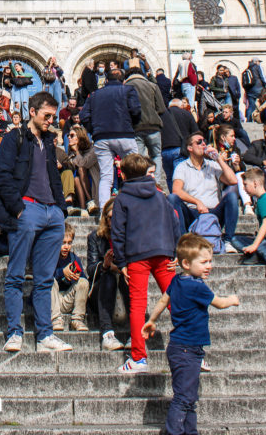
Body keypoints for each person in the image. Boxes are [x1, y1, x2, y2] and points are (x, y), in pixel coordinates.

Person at [0, 91, 70, 353]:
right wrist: (18, 209)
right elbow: (1, 175)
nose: (51, 121)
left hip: (52, 213)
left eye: (54, 117)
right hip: (28, 210)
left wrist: (61, 210)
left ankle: (45, 334)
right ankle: (14, 331)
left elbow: (54, 178)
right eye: (47, 115)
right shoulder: (14, 138)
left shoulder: (49, 142)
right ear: (32, 112)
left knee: (45, 278)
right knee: (16, 275)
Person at [142, 234, 240, 435]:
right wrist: (233, 299)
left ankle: (189, 431)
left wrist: (152, 320)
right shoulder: (196, 286)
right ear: (185, 263)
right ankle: (174, 432)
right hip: (187, 349)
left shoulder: (178, 281)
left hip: (182, 347)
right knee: (184, 398)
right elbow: (220, 303)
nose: (209, 266)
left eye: (210, 261)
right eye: (204, 262)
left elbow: (163, 301)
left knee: (189, 397)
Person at [111, 153, 180, 372]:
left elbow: (118, 232)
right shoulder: (159, 194)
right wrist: (176, 249)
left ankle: (139, 357)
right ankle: (193, 351)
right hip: (162, 252)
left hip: (136, 255)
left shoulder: (122, 198)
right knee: (174, 300)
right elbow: (174, 220)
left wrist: (121, 261)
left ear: (123, 174)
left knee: (138, 305)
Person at [79, 67, 141, 211]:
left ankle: (104, 213)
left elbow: (83, 116)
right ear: (123, 80)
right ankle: (136, 207)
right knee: (134, 171)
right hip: (125, 135)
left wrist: (94, 130)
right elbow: (136, 110)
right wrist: (131, 125)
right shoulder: (128, 90)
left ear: (106, 80)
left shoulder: (94, 95)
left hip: (102, 137)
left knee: (106, 177)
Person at [167, 132, 239, 240]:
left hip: (213, 212)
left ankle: (228, 240)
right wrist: (197, 202)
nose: (203, 144)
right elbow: (176, 191)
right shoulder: (182, 167)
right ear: (190, 148)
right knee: (172, 198)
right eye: (199, 142)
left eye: (204, 141)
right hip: (192, 212)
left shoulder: (212, 165)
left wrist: (218, 158)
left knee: (232, 197)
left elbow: (233, 180)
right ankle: (181, 241)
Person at [86, 198, 127, 351]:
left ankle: (134, 333)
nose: (113, 221)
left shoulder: (129, 237)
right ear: (105, 218)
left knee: (127, 278)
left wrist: (122, 268)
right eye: (110, 217)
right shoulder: (95, 237)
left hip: (123, 284)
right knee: (108, 277)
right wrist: (105, 265)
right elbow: (90, 269)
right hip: (102, 288)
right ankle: (107, 334)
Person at [128, 65, 166, 185]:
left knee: (139, 158)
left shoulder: (126, 87)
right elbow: (161, 108)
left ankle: (142, 182)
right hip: (153, 126)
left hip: (136, 127)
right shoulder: (153, 86)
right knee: (156, 156)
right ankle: (157, 182)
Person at [51, 223, 89, 333]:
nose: (66, 246)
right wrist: (62, 272)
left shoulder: (74, 258)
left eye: (69, 243)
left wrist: (76, 276)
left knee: (83, 282)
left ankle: (77, 319)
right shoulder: (51, 256)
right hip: (53, 299)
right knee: (50, 280)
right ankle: (55, 319)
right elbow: (43, 277)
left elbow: (83, 279)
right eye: (63, 243)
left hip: (68, 297)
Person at [160, 96, 197, 190]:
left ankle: (174, 200)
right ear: (181, 106)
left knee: (169, 177)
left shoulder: (161, 115)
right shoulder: (186, 114)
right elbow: (195, 132)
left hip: (164, 150)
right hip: (180, 150)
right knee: (181, 177)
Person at [66, 126, 99, 216]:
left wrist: (76, 152)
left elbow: (84, 164)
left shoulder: (92, 150)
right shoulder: (71, 152)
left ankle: (90, 201)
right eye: (68, 135)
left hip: (93, 183)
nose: (69, 137)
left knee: (81, 169)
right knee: (76, 179)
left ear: (79, 137)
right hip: (79, 186)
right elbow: (70, 168)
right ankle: (84, 208)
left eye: (72, 135)